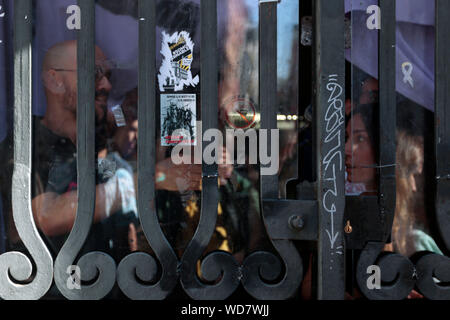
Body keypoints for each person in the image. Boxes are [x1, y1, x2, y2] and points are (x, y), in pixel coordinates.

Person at [32, 40, 138, 260]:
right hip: (53, 290)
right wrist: (150, 180)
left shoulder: (97, 146)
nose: (107, 85)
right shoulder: (28, 144)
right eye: (95, 73)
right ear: (55, 80)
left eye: (108, 76)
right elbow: (48, 217)